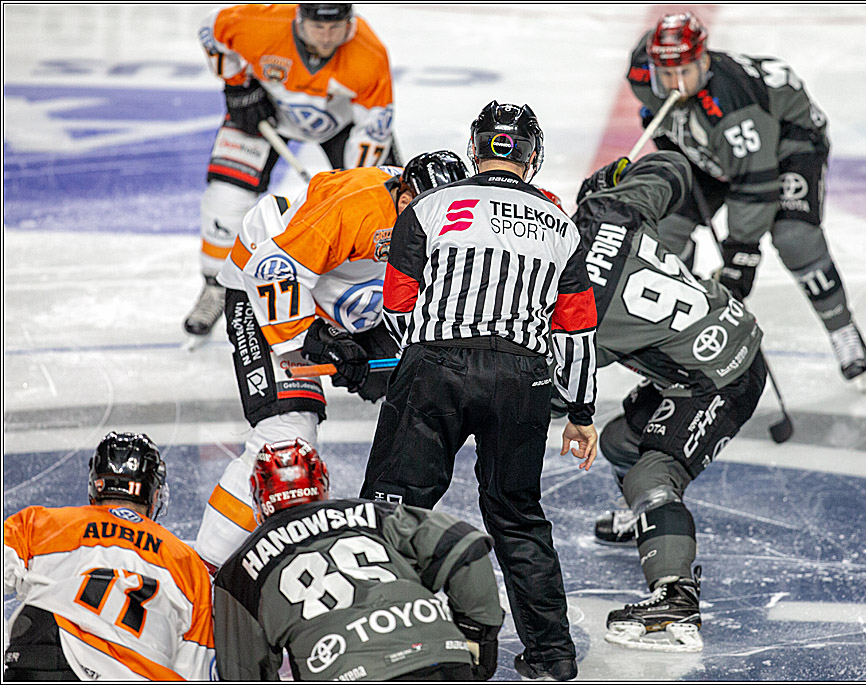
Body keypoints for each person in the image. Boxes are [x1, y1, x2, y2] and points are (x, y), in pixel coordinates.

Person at [359, 101, 600, 681]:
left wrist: (426, 352)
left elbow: (395, 302)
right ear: (531, 155)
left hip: (435, 367)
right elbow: (577, 329)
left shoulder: (431, 207)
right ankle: (551, 656)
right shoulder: (562, 225)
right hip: (523, 378)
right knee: (517, 516)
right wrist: (581, 411)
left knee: (394, 507)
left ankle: (376, 643)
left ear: (476, 150)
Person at [194, 152, 469, 571]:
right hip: (265, 294)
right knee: (286, 433)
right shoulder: (356, 207)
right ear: (402, 197)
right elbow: (274, 269)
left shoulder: (446, 213)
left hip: (339, 299)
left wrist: (378, 342)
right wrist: (321, 341)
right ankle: (205, 567)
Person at [573, 150, 768, 652]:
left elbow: (554, 395)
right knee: (621, 440)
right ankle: (644, 517)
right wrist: (613, 180)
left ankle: (675, 596)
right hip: (718, 340)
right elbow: (671, 166)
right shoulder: (605, 214)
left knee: (651, 475)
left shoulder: (574, 313)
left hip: (720, 378)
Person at [621, 12, 866, 391]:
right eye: (665, 74)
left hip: (787, 144)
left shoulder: (733, 106)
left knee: (794, 237)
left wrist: (741, 252)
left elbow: (755, 184)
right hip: (713, 149)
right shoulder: (644, 71)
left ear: (704, 61)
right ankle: (672, 345)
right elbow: (653, 81)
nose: (673, 83)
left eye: (684, 72)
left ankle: (842, 328)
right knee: (663, 235)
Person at [186, 3, 399, 339]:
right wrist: (238, 86)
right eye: (318, 27)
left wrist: (357, 187)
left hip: (342, 125)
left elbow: (372, 129)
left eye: (336, 27)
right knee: (226, 199)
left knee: (384, 204)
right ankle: (215, 285)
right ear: (300, 20)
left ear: (350, 22)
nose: (327, 37)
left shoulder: (369, 53)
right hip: (266, 111)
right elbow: (210, 31)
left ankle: (380, 293)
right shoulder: (259, 23)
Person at [214, 438, 504, 681]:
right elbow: (465, 545)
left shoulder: (239, 572)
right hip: (440, 654)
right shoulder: (374, 513)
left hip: (346, 673)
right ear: (322, 481)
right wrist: (478, 637)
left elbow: (242, 672)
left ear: (257, 495)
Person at [3, 432, 215, 680]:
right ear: (154, 493)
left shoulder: (40, 523)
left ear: (95, 484)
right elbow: (196, 669)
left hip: (45, 654)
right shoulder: (187, 563)